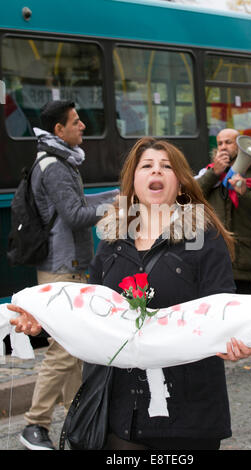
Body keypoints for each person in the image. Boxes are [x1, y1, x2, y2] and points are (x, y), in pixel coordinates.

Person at [10, 137, 251, 450]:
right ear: (134, 181)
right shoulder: (112, 241)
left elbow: (223, 308)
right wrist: (43, 323)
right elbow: (87, 311)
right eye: (147, 166)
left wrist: (236, 339)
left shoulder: (204, 238)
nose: (157, 172)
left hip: (188, 411)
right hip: (120, 409)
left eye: (167, 167)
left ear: (180, 183)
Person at [16, 100, 117, 450]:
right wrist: (114, 205)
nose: (83, 127)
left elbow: (77, 204)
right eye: (76, 122)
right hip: (63, 270)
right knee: (62, 351)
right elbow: (75, 215)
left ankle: (81, 425)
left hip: (66, 268)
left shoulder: (61, 161)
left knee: (73, 349)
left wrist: (118, 194)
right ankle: (34, 425)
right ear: (59, 130)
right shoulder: (56, 166)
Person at [196, 128, 251, 374]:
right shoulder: (209, 173)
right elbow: (191, 195)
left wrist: (245, 192)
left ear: (239, 146)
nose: (223, 147)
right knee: (217, 309)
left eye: (228, 142)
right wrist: (214, 174)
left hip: (246, 254)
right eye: (219, 143)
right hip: (216, 254)